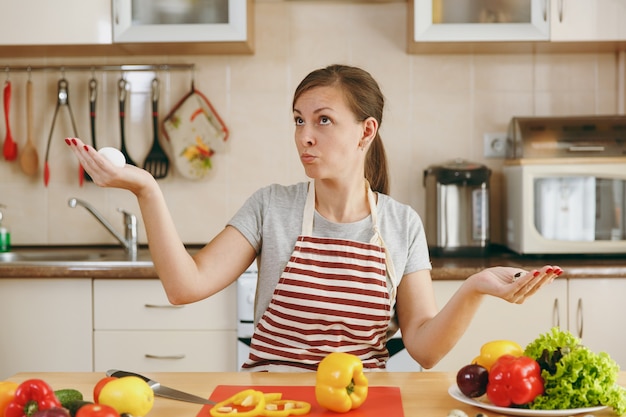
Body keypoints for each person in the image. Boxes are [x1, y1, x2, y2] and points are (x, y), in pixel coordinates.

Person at [67, 64, 561, 372]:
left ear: (366, 131)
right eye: (299, 120)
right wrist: (147, 189)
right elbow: (184, 287)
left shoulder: (402, 224)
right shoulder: (271, 206)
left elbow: (425, 350)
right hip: (272, 403)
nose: (305, 135)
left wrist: (474, 287)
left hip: (361, 400)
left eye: (323, 120)